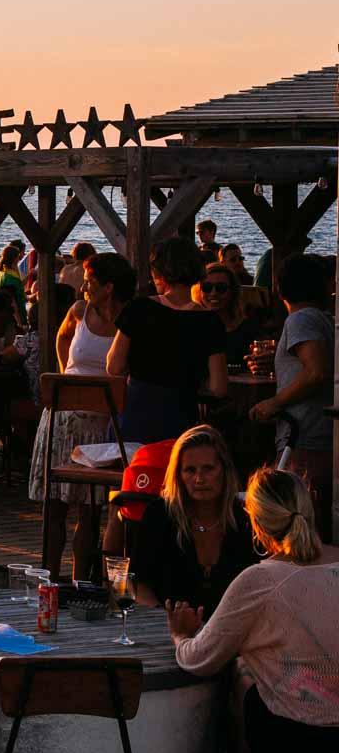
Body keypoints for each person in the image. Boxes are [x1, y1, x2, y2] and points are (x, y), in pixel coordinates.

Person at [171, 468, 339, 753]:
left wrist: (180, 634)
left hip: (303, 744)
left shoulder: (261, 581)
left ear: (256, 522)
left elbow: (199, 660)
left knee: (242, 676)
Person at [31, 251, 133, 579]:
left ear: (109, 287)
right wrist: (67, 374)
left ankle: (79, 580)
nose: (84, 285)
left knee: (90, 511)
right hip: (63, 418)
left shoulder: (130, 320)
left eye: (90, 280)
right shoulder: (78, 311)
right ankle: (48, 575)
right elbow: (61, 339)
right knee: (55, 507)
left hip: (102, 423)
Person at [122, 424, 256, 614]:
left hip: (233, 632)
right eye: (190, 470)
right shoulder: (160, 514)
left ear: (225, 471)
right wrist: (160, 616)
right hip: (167, 629)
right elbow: (137, 582)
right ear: (178, 475)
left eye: (208, 469)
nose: (199, 479)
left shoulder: (245, 518)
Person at [108, 237, 227, 444]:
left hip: (136, 416)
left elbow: (114, 366)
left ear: (159, 272)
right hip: (181, 420)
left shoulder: (138, 308)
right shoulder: (210, 321)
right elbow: (219, 387)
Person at [253, 253, 334, 531]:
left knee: (294, 513)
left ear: (279, 288)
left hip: (303, 434)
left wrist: (274, 403)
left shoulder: (300, 320)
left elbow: (317, 371)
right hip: (319, 432)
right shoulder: (322, 319)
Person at [198, 261, 262, 367]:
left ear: (233, 291)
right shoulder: (194, 328)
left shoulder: (249, 328)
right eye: (207, 288)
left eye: (221, 288)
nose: (213, 293)